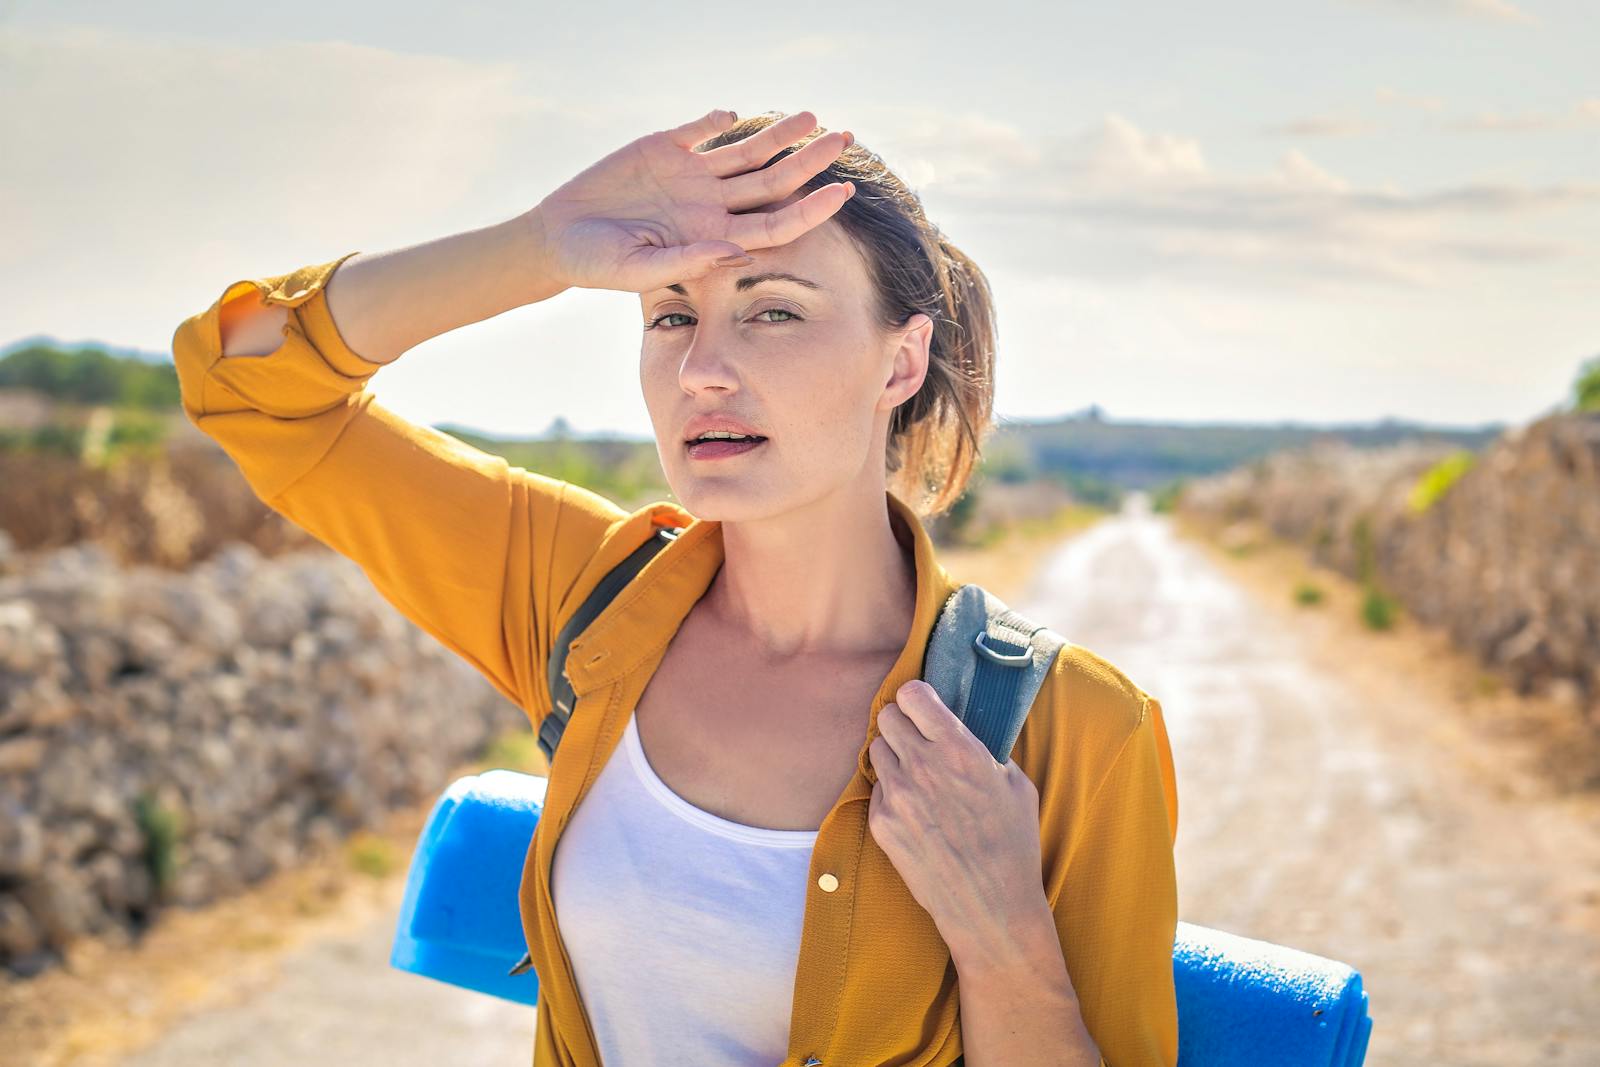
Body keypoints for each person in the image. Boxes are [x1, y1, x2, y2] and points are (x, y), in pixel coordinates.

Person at [172, 107, 1180, 1067]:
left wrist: (1005, 939)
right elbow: (244, 376)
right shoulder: (586, 596)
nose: (703, 367)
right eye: (669, 315)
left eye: (773, 311)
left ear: (901, 360)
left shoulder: (1073, 732)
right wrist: (543, 243)